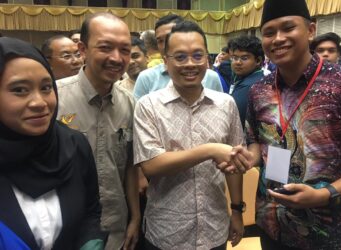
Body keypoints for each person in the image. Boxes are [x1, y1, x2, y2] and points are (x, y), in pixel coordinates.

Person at [133, 21, 255, 250]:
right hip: (167, 231)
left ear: (207, 60)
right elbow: (151, 165)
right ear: (166, 61)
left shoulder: (225, 104)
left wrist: (237, 210)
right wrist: (211, 149)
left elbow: (234, 165)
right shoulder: (148, 106)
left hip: (214, 226)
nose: (190, 64)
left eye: (197, 56)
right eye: (180, 57)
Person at [244, 0, 341, 249]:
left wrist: (325, 194)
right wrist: (245, 157)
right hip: (272, 225)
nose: (277, 39)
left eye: (288, 28)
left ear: (311, 30)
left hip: (329, 233)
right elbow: (256, 145)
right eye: (269, 33)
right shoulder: (258, 90)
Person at [0, 37, 105, 249]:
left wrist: (90, 241)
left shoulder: (73, 144)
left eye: (46, 88)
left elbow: (90, 211)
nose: (39, 102)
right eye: (19, 90)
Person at [57, 13, 140, 250]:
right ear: (83, 49)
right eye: (105, 47)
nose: (117, 58)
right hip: (65, 228)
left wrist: (134, 218)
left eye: (124, 50)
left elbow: (130, 168)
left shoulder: (130, 104)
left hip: (116, 227)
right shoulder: (55, 98)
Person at [133, 14, 223, 100]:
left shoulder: (211, 77)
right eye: (160, 41)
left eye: (170, 37)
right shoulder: (146, 78)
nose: (165, 45)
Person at [227, 35, 264, 128]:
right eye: (234, 58)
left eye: (244, 58)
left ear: (258, 61)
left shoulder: (252, 86)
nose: (237, 62)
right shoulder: (242, 78)